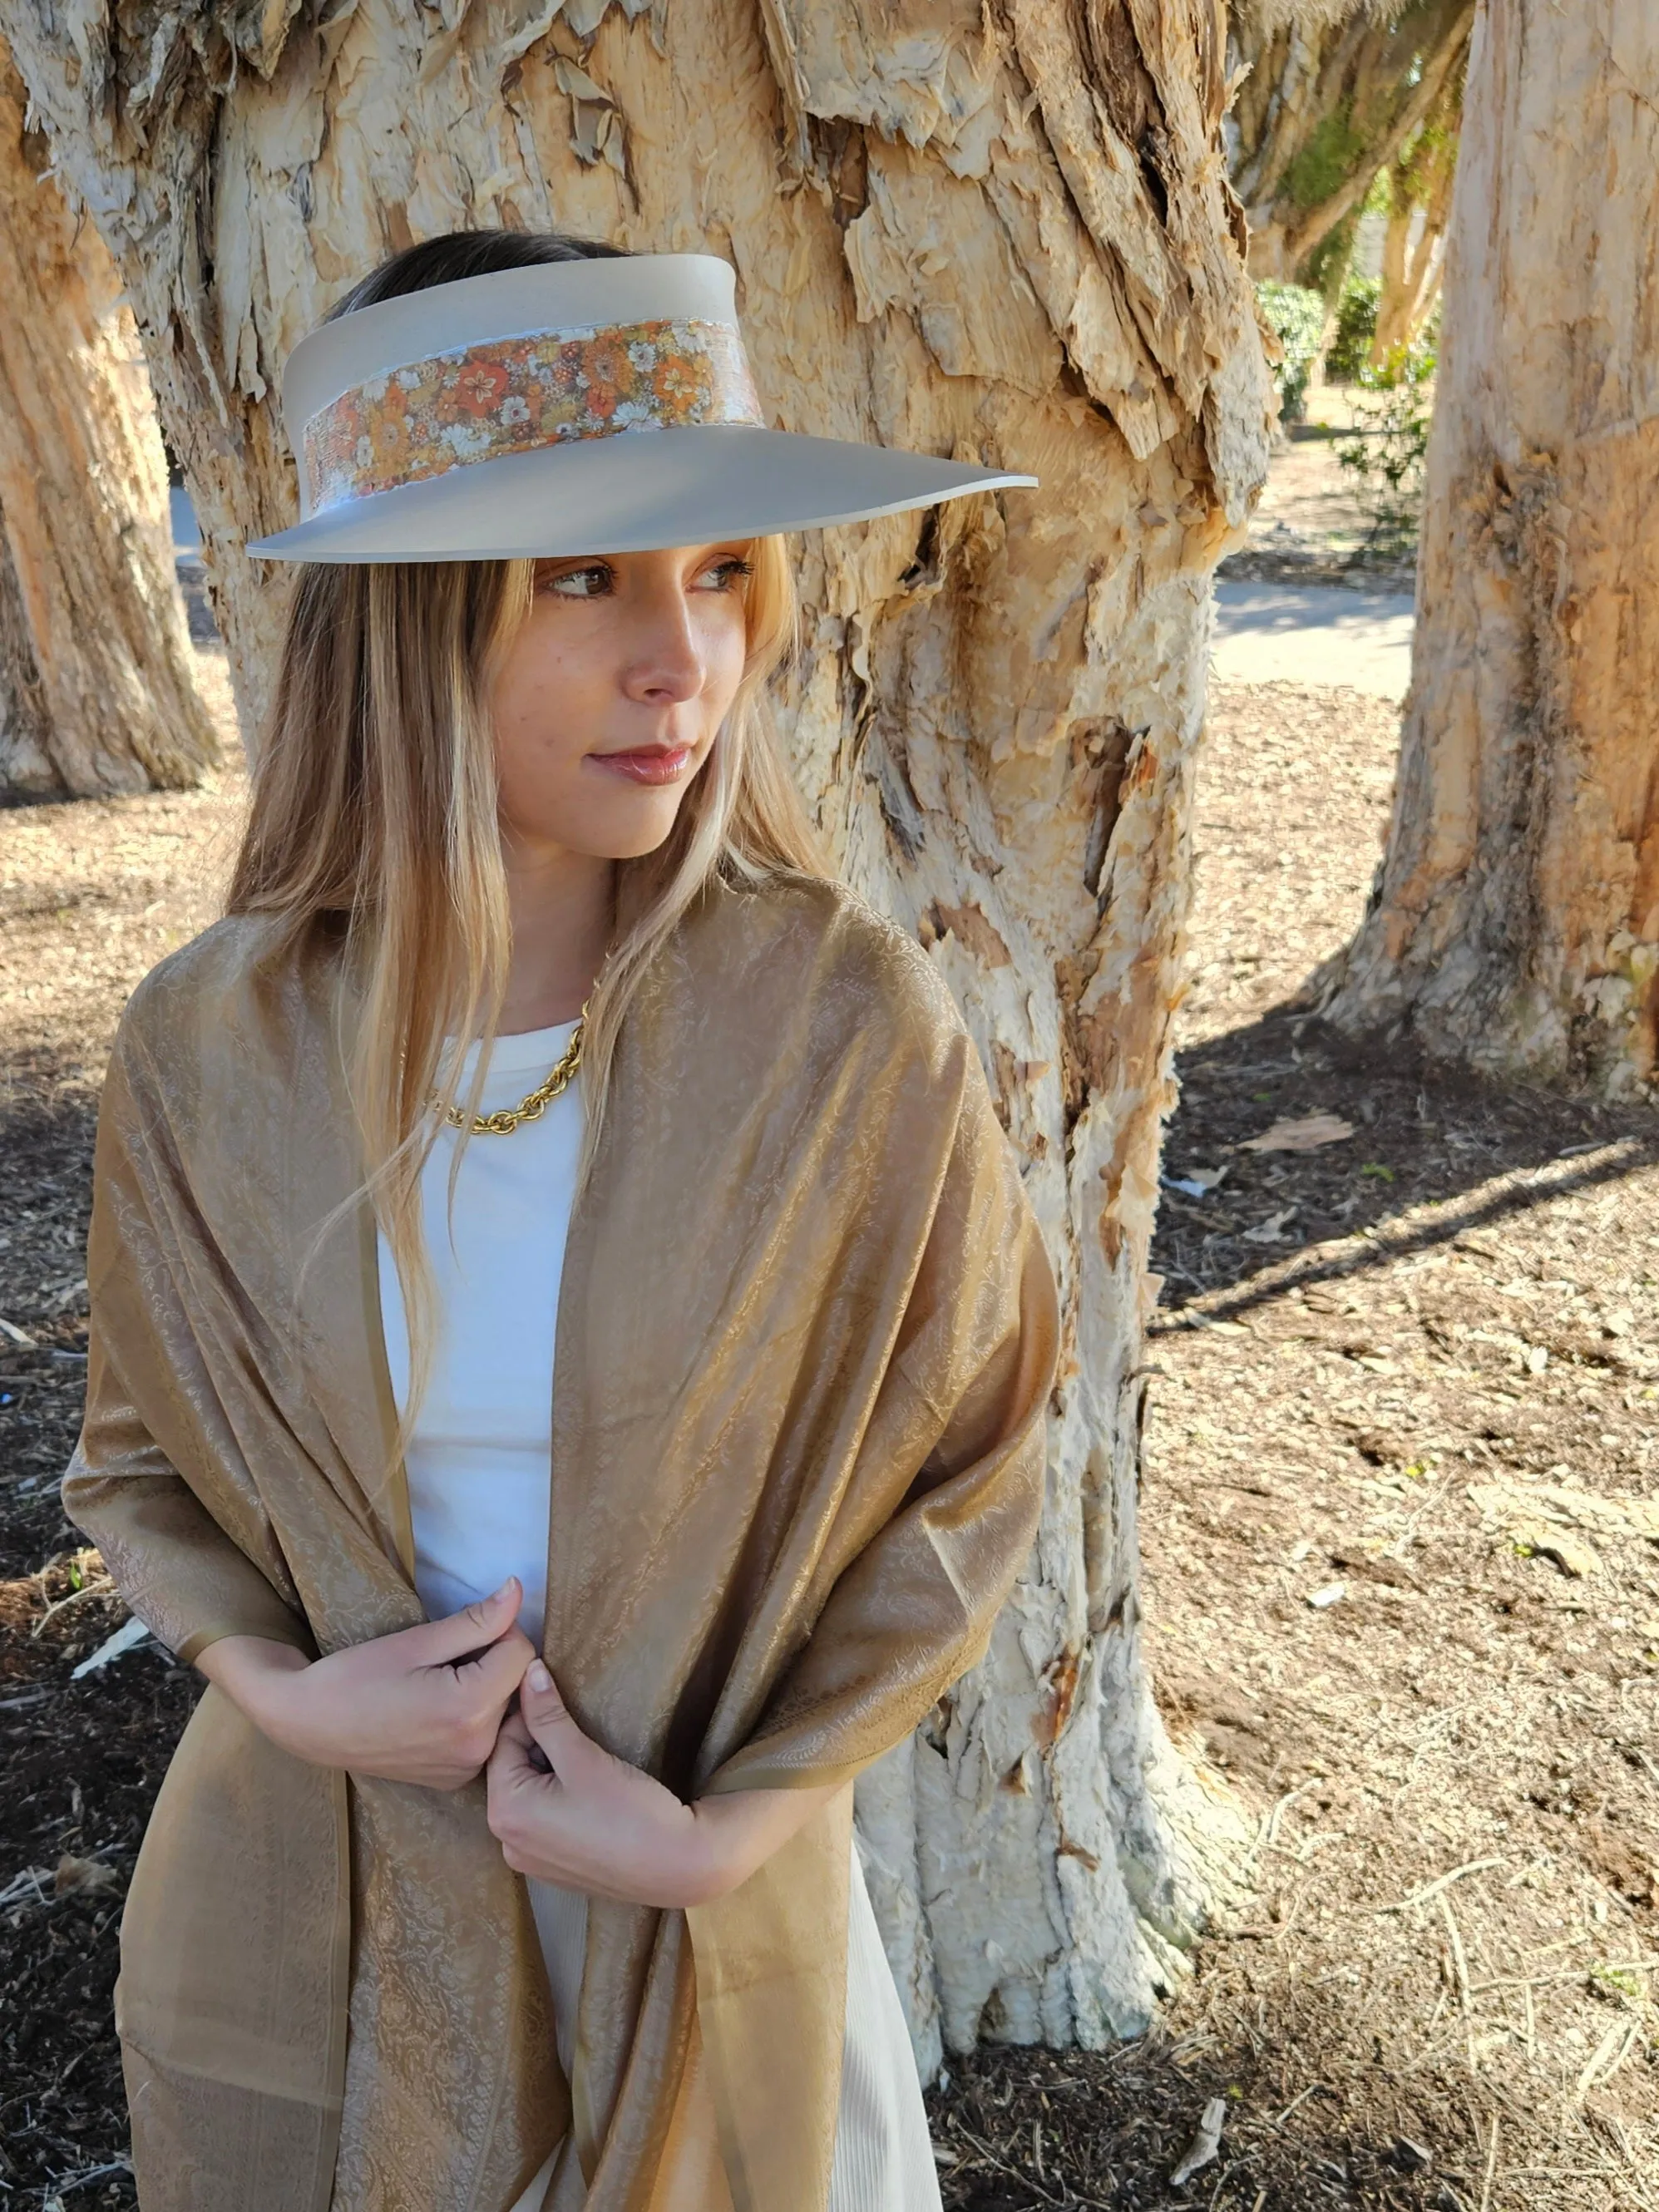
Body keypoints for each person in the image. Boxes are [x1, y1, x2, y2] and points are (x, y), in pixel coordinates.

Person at [66, 229, 1058, 2212]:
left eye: (715, 575)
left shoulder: (840, 1028)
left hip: (706, 1911)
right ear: (407, 620)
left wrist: (716, 1833)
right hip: (324, 1908)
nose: (680, 659)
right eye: (585, 573)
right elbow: (138, 1460)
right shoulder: (210, 1051)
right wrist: (289, 1692)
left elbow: (971, 1467)